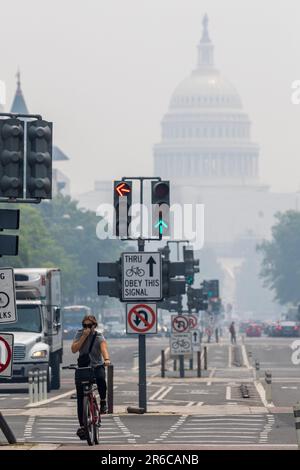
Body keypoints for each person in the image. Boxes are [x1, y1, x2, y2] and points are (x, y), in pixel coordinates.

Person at [71, 314, 110, 439]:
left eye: (89, 325)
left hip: (96, 366)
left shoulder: (99, 336)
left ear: (94, 326)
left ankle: (103, 402)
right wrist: (84, 336)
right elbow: (74, 349)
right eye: (84, 325)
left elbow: (104, 348)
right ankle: (83, 425)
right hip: (83, 367)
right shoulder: (80, 334)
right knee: (80, 397)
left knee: (100, 379)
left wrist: (107, 359)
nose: (86, 328)